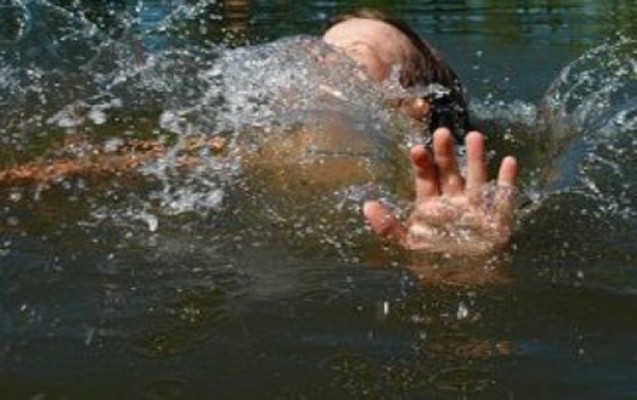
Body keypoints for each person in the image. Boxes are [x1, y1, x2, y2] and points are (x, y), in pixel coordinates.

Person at [0, 9, 518, 258]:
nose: (315, 64)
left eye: (351, 59)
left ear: (412, 108)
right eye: (319, 51)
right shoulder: (247, 148)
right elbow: (96, 171)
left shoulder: (441, 193)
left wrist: (454, 260)